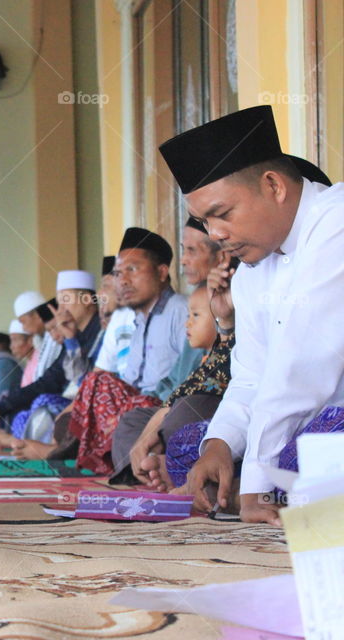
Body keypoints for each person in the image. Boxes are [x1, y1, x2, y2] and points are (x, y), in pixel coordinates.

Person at [155, 105, 341, 524]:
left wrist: (256, 482)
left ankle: (257, 491)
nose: (215, 234)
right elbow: (252, 376)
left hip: (331, 422)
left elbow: (301, 366)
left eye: (222, 214)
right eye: (205, 221)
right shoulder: (252, 270)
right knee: (192, 447)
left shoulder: (336, 222)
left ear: (273, 185)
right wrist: (219, 446)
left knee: (315, 450)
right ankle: (255, 488)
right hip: (302, 424)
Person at [109, 218, 231, 483]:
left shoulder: (224, 300)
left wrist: (163, 412)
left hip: (215, 405)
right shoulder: (195, 305)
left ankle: (164, 468)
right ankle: (147, 469)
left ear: (221, 256)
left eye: (192, 251)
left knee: (185, 414)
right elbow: (179, 378)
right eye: (183, 250)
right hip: (174, 402)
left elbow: (215, 375)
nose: (183, 260)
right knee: (131, 420)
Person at [62, 228, 191, 474]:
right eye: (119, 273)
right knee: (96, 383)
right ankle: (123, 460)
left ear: (162, 272)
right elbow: (128, 379)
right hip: (137, 403)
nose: (122, 281)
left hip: (164, 405)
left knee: (121, 410)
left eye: (132, 270)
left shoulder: (180, 311)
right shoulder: (138, 319)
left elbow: (187, 377)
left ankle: (131, 465)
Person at [0, 271, 101, 446]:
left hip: (95, 405)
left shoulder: (102, 330)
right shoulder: (74, 336)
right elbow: (49, 380)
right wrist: (0, 407)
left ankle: (41, 450)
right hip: (78, 403)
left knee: (45, 405)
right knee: (28, 411)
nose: (61, 309)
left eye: (66, 299)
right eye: (60, 302)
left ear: (87, 300)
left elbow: (92, 383)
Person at [12, 291, 50, 387]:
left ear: (37, 316)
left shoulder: (57, 337)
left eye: (23, 322)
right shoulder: (39, 341)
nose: (24, 328)